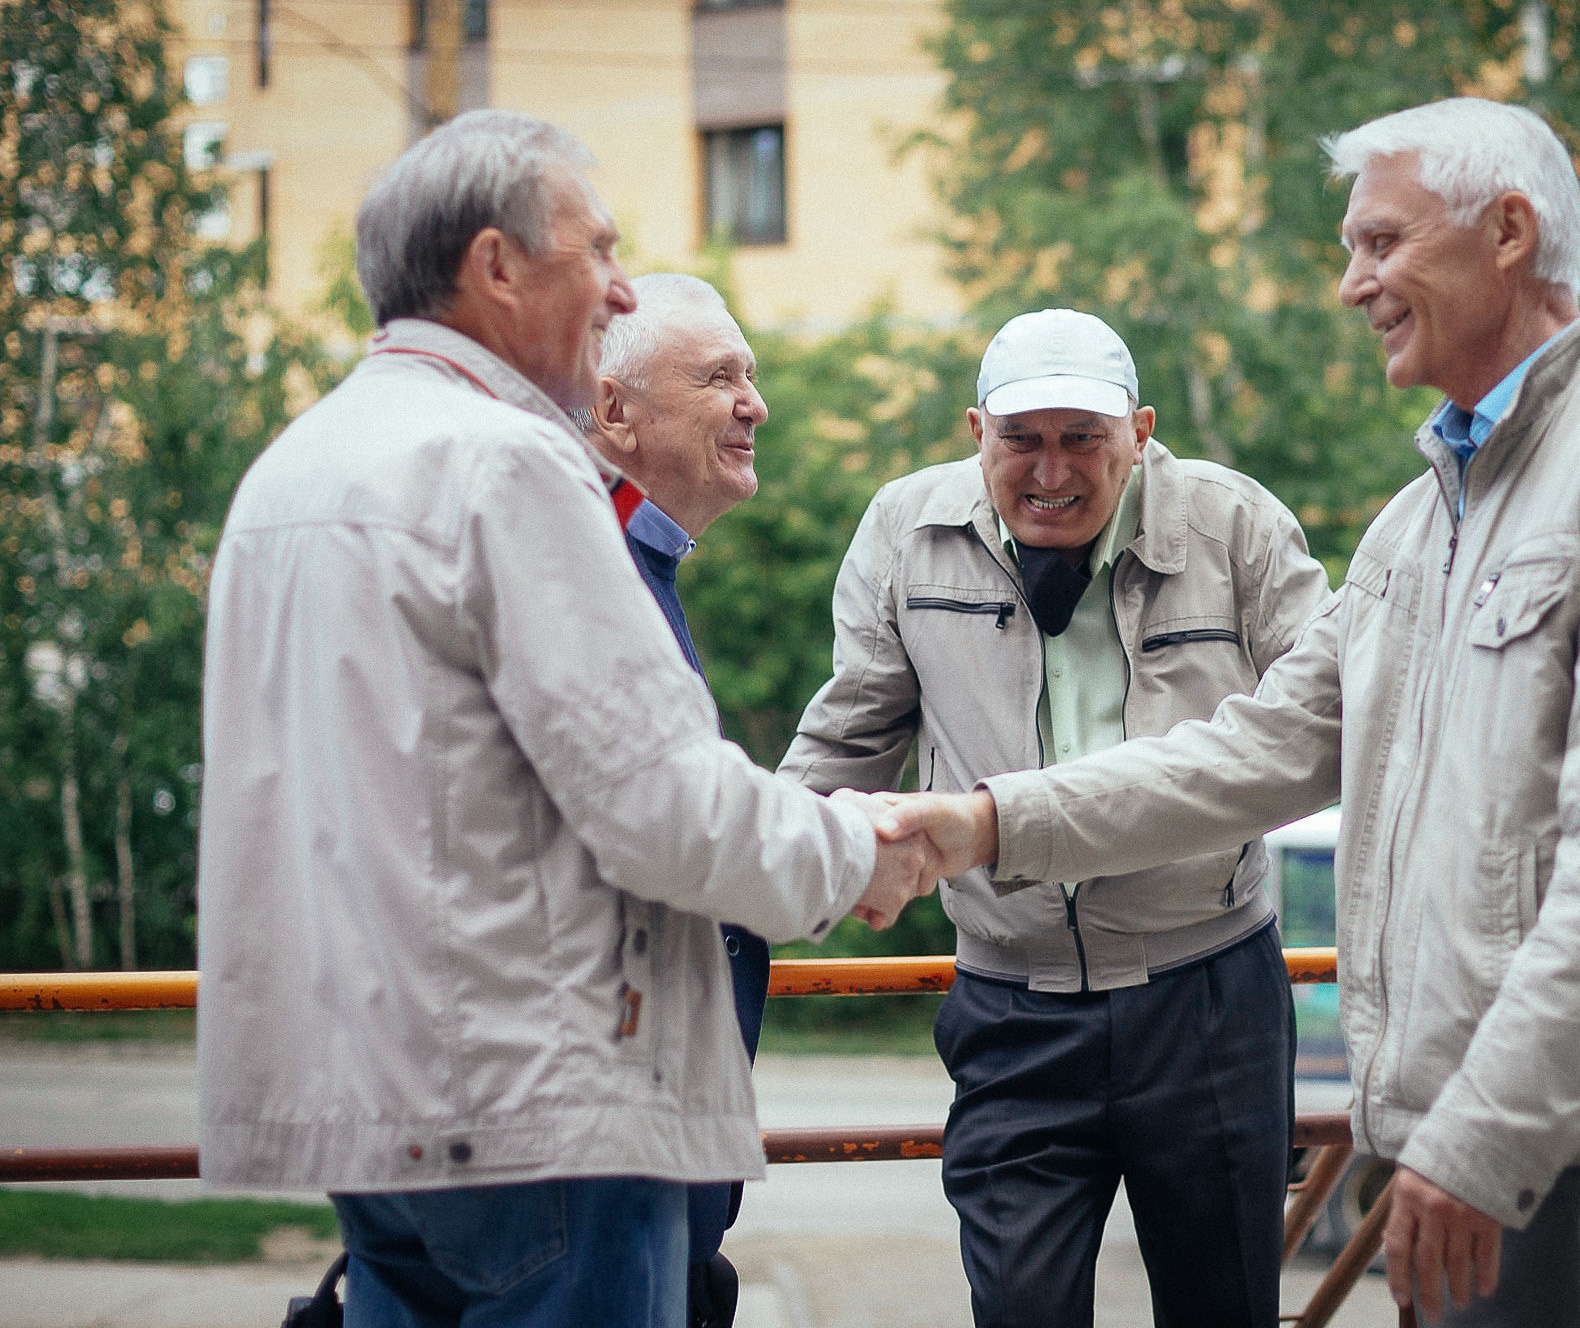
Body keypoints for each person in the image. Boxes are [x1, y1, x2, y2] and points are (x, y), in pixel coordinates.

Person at [878, 98, 1580, 1328]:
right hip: (1448, 1128)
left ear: (1509, 231)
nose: (1353, 284)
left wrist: (1485, 1136)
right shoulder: (1425, 519)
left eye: (1380, 242)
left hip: (1553, 1142)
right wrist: (983, 823)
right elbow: (1255, 749)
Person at [196, 110, 934, 1328]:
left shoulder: (293, 470)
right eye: (597, 248)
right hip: (545, 1111)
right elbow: (663, 804)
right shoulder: (511, 464)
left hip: (376, 1109)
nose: (621, 286)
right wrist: (863, 848)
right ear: (496, 266)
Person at [778, 308, 1330, 1328]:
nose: (1051, 470)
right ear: (974, 430)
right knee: (1020, 1307)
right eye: (1022, 439)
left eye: (1085, 438)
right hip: (1010, 999)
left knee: (1226, 1307)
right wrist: (741, 877)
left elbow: (1327, 725)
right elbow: (851, 735)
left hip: (1208, 993)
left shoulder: (1237, 526)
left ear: (1143, 430)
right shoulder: (907, 529)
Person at [569, 272, 775, 1328]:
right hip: (608, 1151)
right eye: (720, 378)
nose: (755, 403)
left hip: (659, 1141)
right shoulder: (586, 574)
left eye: (751, 374)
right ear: (616, 411)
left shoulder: (634, 566)